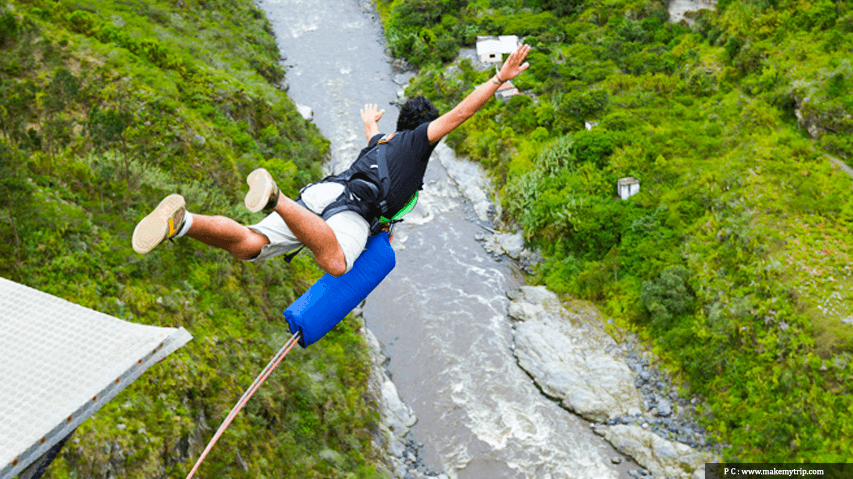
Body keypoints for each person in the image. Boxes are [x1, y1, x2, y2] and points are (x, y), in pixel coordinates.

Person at [132, 45, 530, 276]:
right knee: (337, 263)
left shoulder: (383, 140)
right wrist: (497, 80)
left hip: (325, 192)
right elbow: (460, 113)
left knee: (249, 245)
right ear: (426, 128)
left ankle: (182, 223)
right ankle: (276, 200)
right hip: (353, 207)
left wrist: (369, 122)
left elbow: (373, 140)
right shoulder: (417, 142)